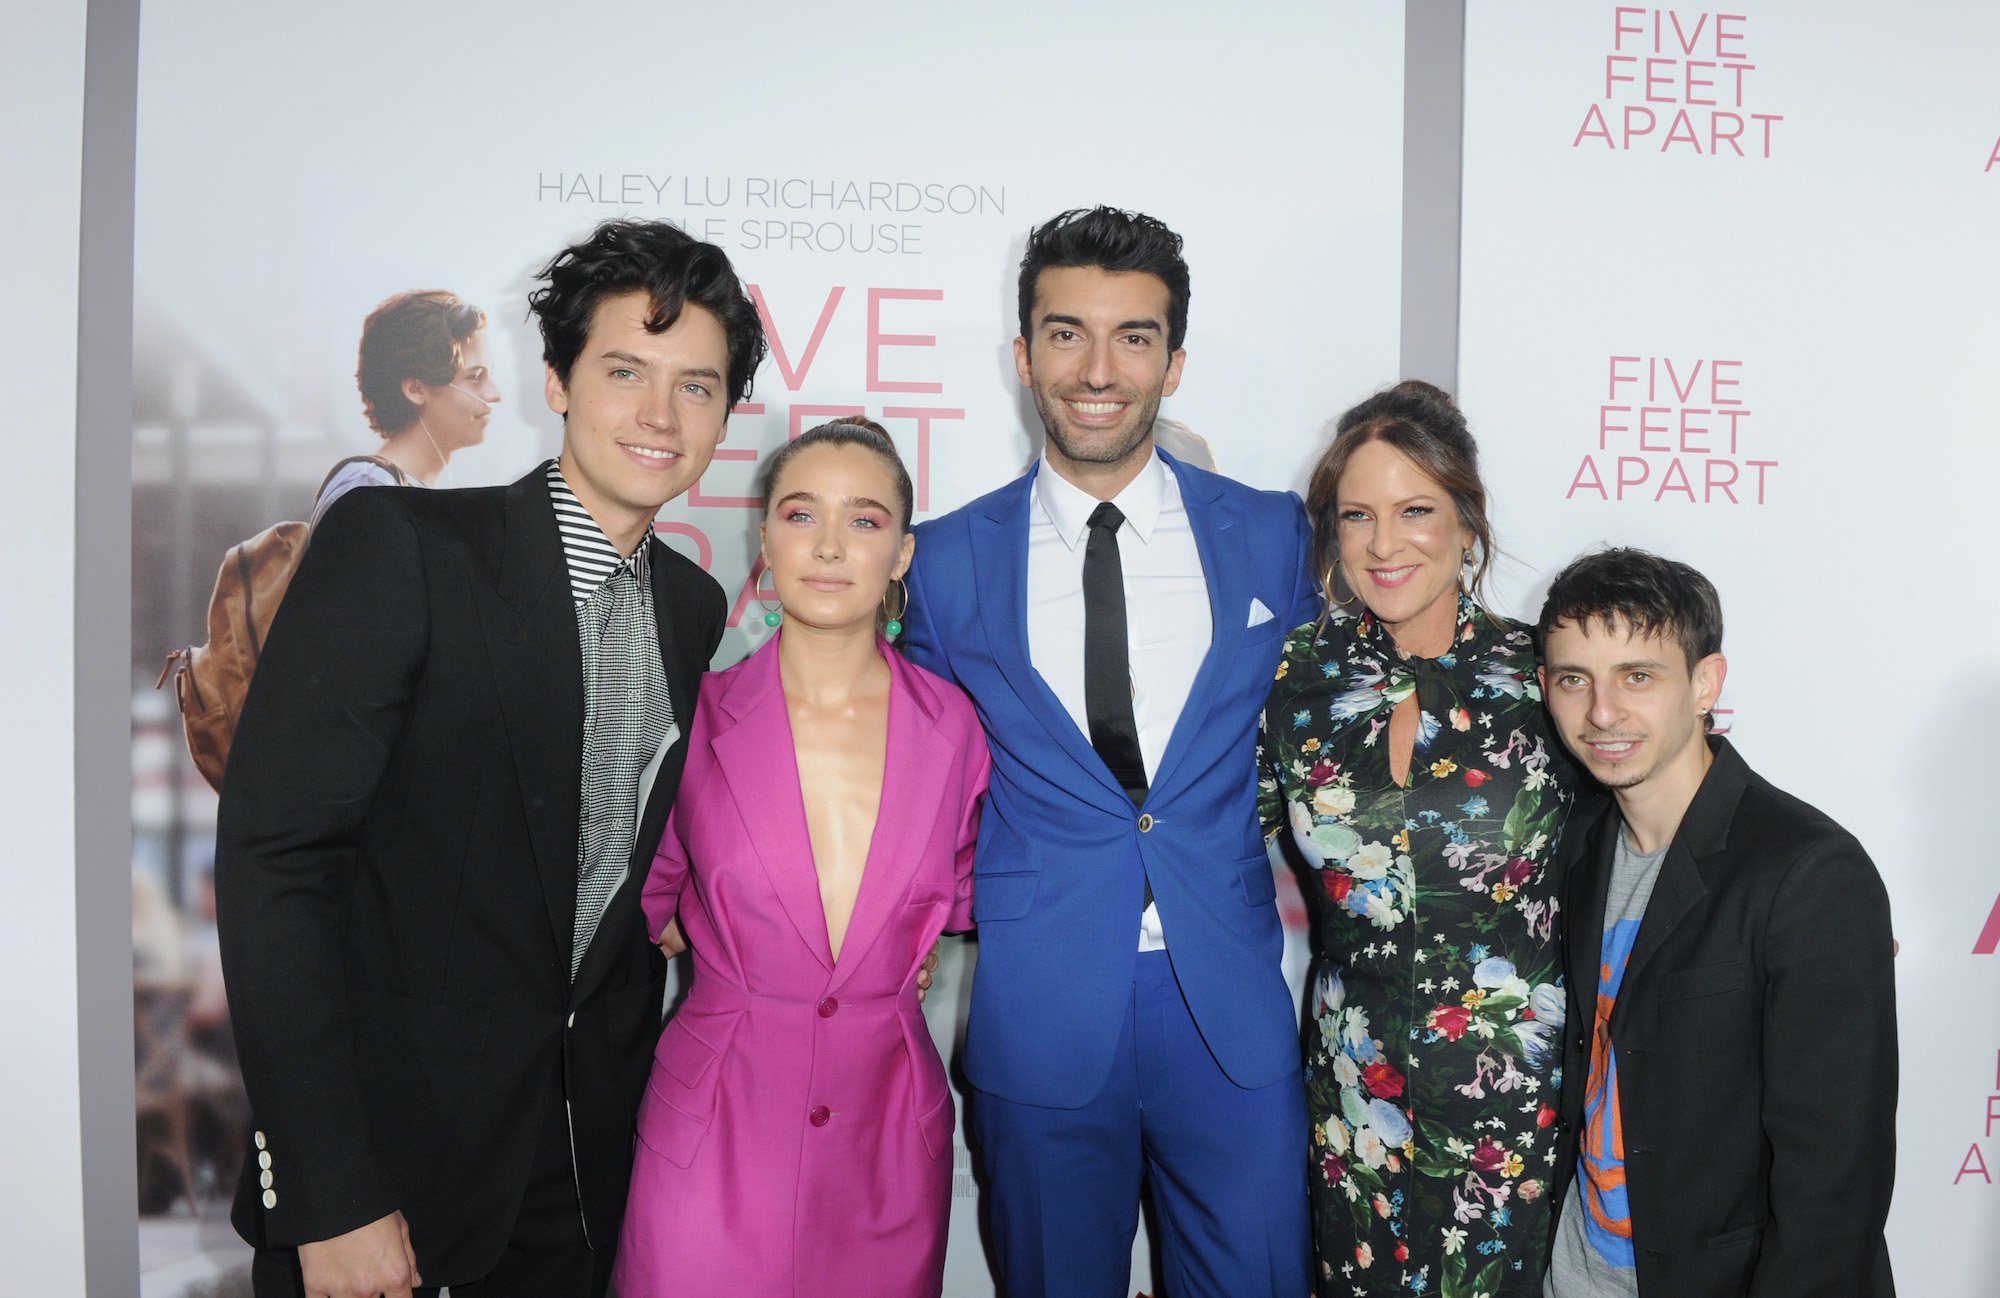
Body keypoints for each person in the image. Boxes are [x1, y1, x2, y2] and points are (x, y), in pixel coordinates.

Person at [214, 218, 766, 1298]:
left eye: (696, 386)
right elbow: (275, 863)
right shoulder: (406, 551)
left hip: (581, 1177)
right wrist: (327, 1193)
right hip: (388, 1179)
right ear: (555, 380)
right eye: (624, 371)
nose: (660, 414)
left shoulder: (696, 610)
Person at [902, 206, 1318, 1297]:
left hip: (1225, 1005)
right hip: (1039, 1008)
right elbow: (916, 776)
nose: (1097, 368)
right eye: (1064, 332)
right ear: (1021, 354)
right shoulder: (941, 564)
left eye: (1132, 336)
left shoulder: (1275, 533)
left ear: (1173, 361)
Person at [614, 417, 988, 1297]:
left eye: (863, 520)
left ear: (901, 554)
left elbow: (967, 896)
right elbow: (642, 907)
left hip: (887, 1141)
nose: (827, 546)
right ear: (765, 542)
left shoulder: (958, 730)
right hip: (712, 1136)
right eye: (799, 514)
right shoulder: (694, 715)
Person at [1258, 380, 1578, 1297]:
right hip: (1353, 1094)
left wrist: (1800, 923)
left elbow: (1676, 805)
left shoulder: (1544, 673)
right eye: (1357, 515)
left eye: (1416, 511)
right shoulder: (1298, 679)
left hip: (1509, 1095)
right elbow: (1206, 836)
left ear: (1468, 523)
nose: (1384, 543)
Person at [1537, 548, 1896, 1298]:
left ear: (1705, 684)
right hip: (1571, 1273)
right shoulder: (1575, 843)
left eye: (1638, 676)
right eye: (1575, 679)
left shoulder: (1809, 872)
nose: (1602, 713)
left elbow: (1834, 1183)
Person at [310, 289, 501, 528]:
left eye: (490, 375)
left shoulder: (406, 491)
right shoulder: (369, 490)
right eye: (475, 377)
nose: (495, 394)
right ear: (416, 390)